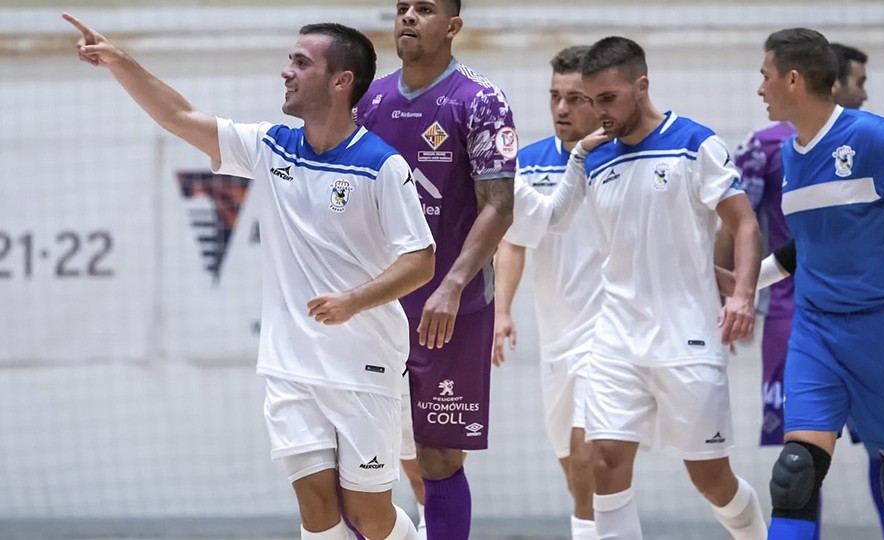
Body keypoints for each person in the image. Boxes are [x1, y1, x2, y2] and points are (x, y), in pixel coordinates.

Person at [63, 14, 436, 540]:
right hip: (289, 366)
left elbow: (421, 260)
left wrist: (354, 301)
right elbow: (180, 115)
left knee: (369, 518)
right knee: (317, 511)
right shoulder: (272, 146)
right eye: (290, 60)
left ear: (340, 80)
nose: (286, 71)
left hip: (363, 364)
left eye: (301, 62)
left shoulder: (382, 166)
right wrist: (119, 62)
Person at [507, 36, 767, 539]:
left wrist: (741, 295)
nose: (597, 113)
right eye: (590, 100)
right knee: (601, 463)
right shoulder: (593, 156)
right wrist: (494, 186)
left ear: (641, 86)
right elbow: (549, 220)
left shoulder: (694, 143)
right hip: (614, 341)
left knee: (711, 479)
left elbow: (745, 224)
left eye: (607, 100)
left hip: (685, 339)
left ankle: (754, 532)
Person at [757, 27, 884, 540]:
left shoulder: (873, 137)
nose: (759, 88)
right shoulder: (791, 155)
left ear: (794, 79)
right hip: (816, 331)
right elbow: (807, 248)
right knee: (795, 476)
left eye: (765, 76)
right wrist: (741, 284)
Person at [354, 1, 517, 539]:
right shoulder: (369, 99)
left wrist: (450, 286)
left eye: (423, 9)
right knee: (360, 451)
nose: (407, 17)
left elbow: (498, 205)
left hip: (453, 307)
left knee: (439, 456)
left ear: (452, 26)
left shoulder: (480, 101)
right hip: (377, 307)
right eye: (401, 8)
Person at [730, 41, 884, 540]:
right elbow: (736, 224)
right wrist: (735, 292)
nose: (863, 95)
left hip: (871, 320)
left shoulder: (873, 142)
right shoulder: (767, 146)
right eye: (857, 82)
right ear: (825, 80)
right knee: (798, 465)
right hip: (793, 316)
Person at [490, 45, 604, 540]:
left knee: (587, 453)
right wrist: (503, 309)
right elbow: (513, 244)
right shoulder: (528, 163)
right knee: (572, 462)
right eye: (555, 96)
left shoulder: (620, 160)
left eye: (574, 98)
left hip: (610, 332)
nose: (561, 108)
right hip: (557, 337)